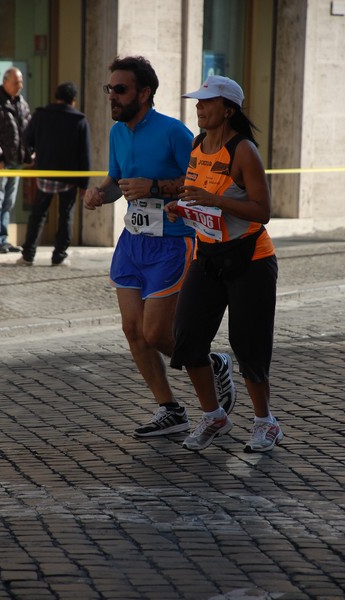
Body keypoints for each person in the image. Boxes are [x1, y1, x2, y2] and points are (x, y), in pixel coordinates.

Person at [84, 57, 236, 439]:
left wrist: (154, 187)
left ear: (144, 93)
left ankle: (212, 361)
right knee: (133, 330)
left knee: (156, 334)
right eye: (110, 89)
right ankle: (169, 408)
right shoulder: (118, 133)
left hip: (172, 243)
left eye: (120, 90)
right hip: (132, 243)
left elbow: (198, 181)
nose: (112, 97)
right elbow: (117, 181)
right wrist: (98, 194)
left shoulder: (173, 132)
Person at [166, 75, 283, 453]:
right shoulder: (199, 144)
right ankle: (213, 414)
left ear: (228, 109)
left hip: (251, 258)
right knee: (187, 337)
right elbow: (197, 196)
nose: (198, 107)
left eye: (206, 102)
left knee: (248, 344)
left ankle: (266, 422)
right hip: (208, 255)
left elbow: (262, 210)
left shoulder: (243, 150)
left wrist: (214, 201)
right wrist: (181, 207)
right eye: (198, 102)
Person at [16, 82, 92, 266]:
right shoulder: (79, 120)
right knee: (65, 215)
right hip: (70, 177)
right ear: (73, 101)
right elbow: (85, 154)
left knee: (38, 214)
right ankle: (59, 256)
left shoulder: (41, 115)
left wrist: (30, 158)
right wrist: (84, 184)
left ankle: (28, 255)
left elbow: (25, 139)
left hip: (45, 173)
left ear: (56, 97)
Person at [0, 67, 31, 253]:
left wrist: (28, 153)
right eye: (16, 82)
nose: (20, 86)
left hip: (16, 161)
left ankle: (3, 238)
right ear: (5, 82)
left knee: (8, 202)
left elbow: (27, 130)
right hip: (0, 161)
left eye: (21, 82)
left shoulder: (22, 103)